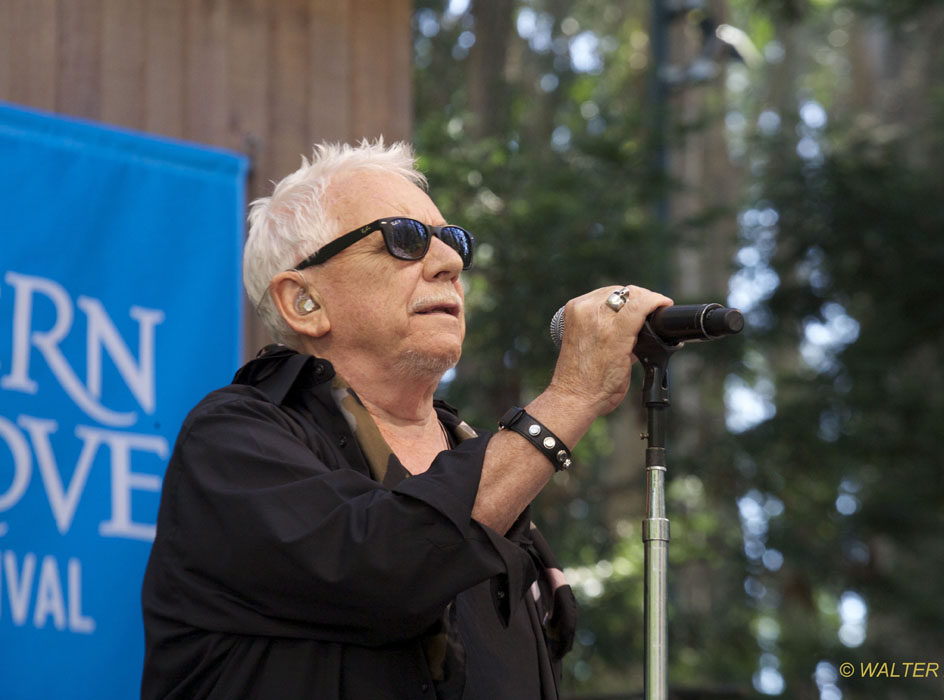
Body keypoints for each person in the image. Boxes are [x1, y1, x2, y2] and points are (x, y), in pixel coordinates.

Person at [140, 140, 673, 699]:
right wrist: (570, 397)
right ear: (304, 302)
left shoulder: (482, 460)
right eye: (404, 239)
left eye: (453, 240)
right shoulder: (232, 439)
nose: (450, 262)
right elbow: (383, 564)